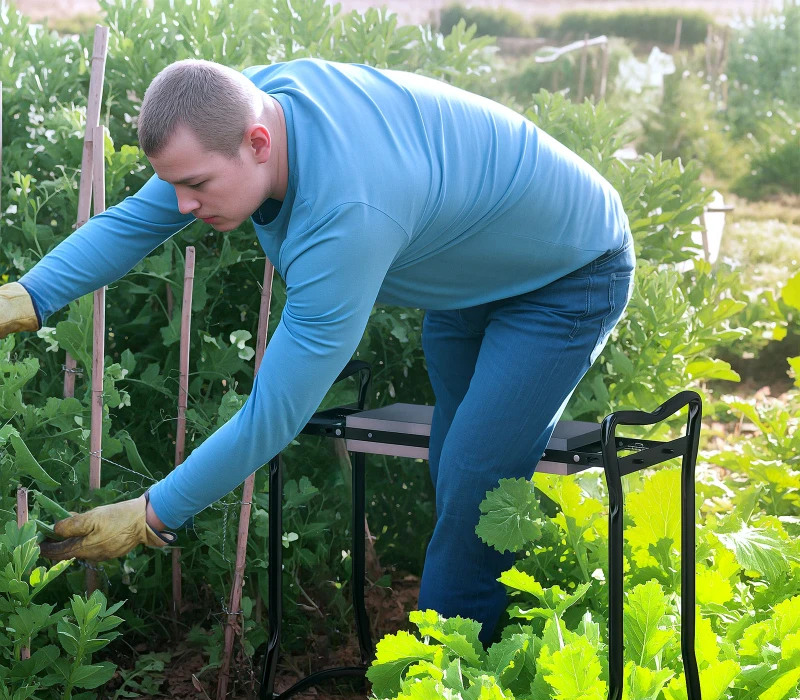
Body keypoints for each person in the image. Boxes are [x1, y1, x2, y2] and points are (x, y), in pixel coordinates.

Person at [0, 58, 634, 646]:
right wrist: (27, 297)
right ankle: (482, 630)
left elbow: (272, 416)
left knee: (476, 473)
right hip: (475, 259)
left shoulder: (347, 217)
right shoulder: (254, 105)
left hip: (568, 272)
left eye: (195, 185)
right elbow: (137, 220)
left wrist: (152, 515)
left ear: (257, 144)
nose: (184, 206)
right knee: (458, 457)